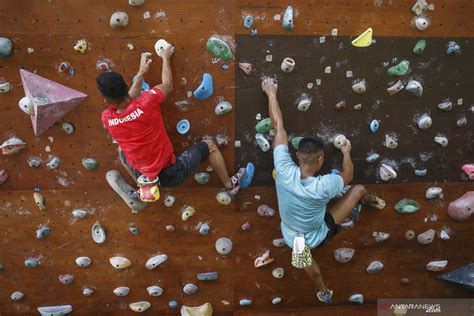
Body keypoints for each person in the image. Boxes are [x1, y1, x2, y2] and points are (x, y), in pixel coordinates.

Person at [261, 77, 385, 303]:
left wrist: (271, 92)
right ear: (320, 159)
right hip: (318, 233)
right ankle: (369, 201)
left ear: (297, 156)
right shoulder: (324, 185)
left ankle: (324, 292)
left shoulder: (283, 168)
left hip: (293, 237)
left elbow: (278, 125)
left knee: (305, 264)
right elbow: (348, 175)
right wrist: (346, 151)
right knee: (357, 190)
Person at [97, 43, 247, 202]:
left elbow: (127, 102)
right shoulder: (147, 101)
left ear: (107, 101)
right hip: (170, 174)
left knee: (121, 149)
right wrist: (165, 58)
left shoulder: (107, 117)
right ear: (126, 86)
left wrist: (141, 73)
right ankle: (229, 184)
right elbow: (167, 85)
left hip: (143, 173)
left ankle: (144, 187)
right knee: (209, 146)